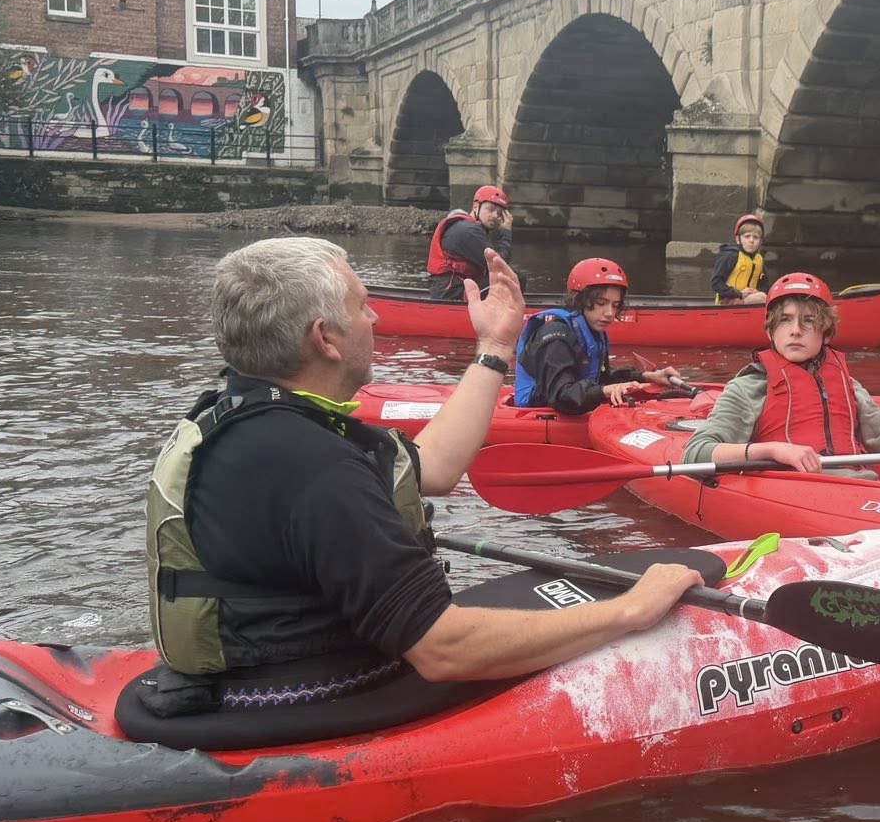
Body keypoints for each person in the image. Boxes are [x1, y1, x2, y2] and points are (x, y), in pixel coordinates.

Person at [143, 236, 703, 720]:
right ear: (325, 338)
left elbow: (430, 469)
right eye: (363, 307)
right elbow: (443, 650)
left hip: (248, 665)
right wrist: (632, 609)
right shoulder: (312, 465)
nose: (377, 319)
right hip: (299, 690)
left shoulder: (243, 414)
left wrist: (495, 349)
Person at [684, 272, 880, 474]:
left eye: (809, 321)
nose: (795, 331)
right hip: (791, 493)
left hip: (860, 489)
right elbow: (695, 453)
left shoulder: (848, 385)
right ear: (770, 332)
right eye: (785, 320)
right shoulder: (749, 387)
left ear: (826, 334)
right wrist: (771, 450)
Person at [512, 257, 684, 414]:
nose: (610, 313)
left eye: (615, 305)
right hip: (539, 412)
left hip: (569, 402)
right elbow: (562, 396)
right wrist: (604, 391)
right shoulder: (556, 337)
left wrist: (648, 376)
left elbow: (601, 377)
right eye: (601, 303)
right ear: (580, 299)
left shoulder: (592, 331)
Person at [425, 185, 513, 300]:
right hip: (451, 293)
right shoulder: (469, 230)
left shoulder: (472, 228)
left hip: (454, 287)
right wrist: (506, 233)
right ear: (476, 206)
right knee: (510, 278)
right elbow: (499, 266)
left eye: (500, 213)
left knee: (508, 278)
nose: (495, 216)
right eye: (490, 209)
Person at [711, 213, 770, 306]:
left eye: (756, 237)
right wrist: (739, 293)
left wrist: (757, 291)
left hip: (750, 300)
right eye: (747, 236)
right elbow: (716, 283)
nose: (751, 240)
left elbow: (765, 285)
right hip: (727, 301)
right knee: (762, 298)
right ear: (738, 239)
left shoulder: (759, 259)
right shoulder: (730, 255)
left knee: (765, 296)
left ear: (760, 241)